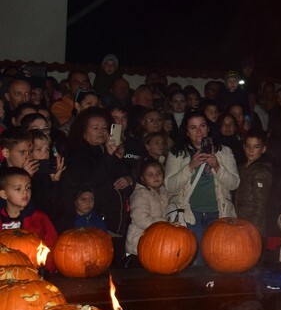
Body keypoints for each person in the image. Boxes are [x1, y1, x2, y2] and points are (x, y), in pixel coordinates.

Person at [164, 110, 240, 264]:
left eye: (202, 126)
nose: (199, 131)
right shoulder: (177, 153)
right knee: (195, 262)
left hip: (219, 214)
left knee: (219, 260)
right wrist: (190, 166)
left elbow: (234, 183)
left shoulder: (224, 152)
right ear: (187, 132)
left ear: (208, 128)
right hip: (190, 216)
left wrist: (217, 167)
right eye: (193, 127)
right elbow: (170, 186)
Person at [60, 108, 133, 239]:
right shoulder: (77, 156)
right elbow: (93, 181)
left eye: (104, 127)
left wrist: (128, 179)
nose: (101, 131)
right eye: (95, 128)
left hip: (117, 221)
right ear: (83, 132)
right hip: (94, 224)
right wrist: (109, 155)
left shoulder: (104, 150)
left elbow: (128, 173)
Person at [0, 166, 58, 271]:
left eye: (28, 188)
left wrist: (46, 269)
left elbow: (51, 245)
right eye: (18, 189)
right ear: (4, 194)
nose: (25, 192)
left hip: (31, 270)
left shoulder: (39, 218)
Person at [235, 130, 274, 261]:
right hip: (242, 223)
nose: (251, 150)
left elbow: (260, 204)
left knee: (252, 262)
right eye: (248, 146)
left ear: (263, 149)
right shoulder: (242, 168)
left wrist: (253, 231)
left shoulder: (260, 171)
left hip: (253, 227)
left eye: (256, 147)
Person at [125, 159, 170, 266]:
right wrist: (164, 224)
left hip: (156, 244)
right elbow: (141, 219)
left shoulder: (164, 192)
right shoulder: (141, 194)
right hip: (138, 244)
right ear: (142, 178)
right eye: (150, 174)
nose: (156, 176)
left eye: (158, 173)